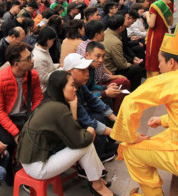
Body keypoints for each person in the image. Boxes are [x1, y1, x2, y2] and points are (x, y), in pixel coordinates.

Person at [17, 70, 117, 196]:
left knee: (86, 140)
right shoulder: (58, 108)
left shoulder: (49, 103)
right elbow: (80, 139)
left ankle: (97, 180)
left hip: (32, 159)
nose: (75, 89)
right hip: (36, 166)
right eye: (71, 85)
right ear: (61, 88)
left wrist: (75, 110)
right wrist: (90, 132)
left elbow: (72, 133)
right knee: (87, 144)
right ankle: (97, 185)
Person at [110, 25, 178, 196]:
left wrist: (130, 136)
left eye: (160, 61)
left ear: (171, 62)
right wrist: (163, 120)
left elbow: (131, 102)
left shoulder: (170, 79)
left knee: (130, 149)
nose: (159, 67)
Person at [0, 42, 43, 186]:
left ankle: (33, 171)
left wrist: (33, 120)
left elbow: (37, 99)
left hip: (23, 116)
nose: (32, 61)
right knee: (9, 143)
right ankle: (8, 174)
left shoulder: (32, 75)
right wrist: (16, 133)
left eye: (31, 56)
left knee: (37, 135)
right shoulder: (0, 79)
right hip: (1, 120)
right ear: (16, 64)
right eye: (28, 58)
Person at [103, 15, 143, 91]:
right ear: (120, 27)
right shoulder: (115, 41)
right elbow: (121, 64)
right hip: (111, 70)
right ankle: (132, 92)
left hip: (107, 66)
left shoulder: (106, 32)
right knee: (136, 69)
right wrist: (131, 64)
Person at [145, 0, 173, 78]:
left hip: (155, 36)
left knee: (153, 60)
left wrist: (147, 15)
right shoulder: (170, 3)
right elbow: (170, 23)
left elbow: (151, 24)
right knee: (163, 57)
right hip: (165, 34)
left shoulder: (155, 5)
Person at [32, 26, 58, 93]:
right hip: (44, 91)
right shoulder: (38, 57)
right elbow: (44, 79)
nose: (53, 43)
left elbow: (48, 66)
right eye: (53, 41)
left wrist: (57, 66)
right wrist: (59, 71)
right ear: (47, 40)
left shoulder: (44, 49)